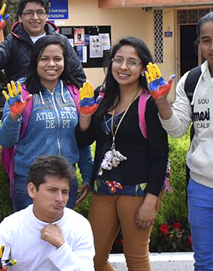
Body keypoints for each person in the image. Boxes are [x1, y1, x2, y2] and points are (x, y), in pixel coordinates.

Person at [152, 11, 213, 270]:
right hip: (201, 187)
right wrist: (161, 102)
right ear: (199, 44)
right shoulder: (191, 81)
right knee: (203, 262)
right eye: (206, 40)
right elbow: (177, 129)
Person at [76, 37, 169, 271]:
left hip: (138, 191)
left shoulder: (149, 102)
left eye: (132, 62)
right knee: (93, 259)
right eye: (118, 60)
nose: (123, 67)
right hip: (103, 188)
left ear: (143, 68)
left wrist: (151, 199)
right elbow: (85, 140)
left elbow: (160, 154)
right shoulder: (101, 96)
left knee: (136, 259)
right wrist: (85, 117)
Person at [0, 35, 93, 212]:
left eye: (57, 59)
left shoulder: (75, 93)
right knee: (30, 238)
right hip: (30, 181)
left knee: (60, 236)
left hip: (65, 182)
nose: (51, 64)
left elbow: (81, 140)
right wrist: (14, 116)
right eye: (44, 59)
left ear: (65, 61)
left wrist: (88, 175)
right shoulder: (21, 91)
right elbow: (5, 141)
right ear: (35, 62)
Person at [0, 155, 95, 271]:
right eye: (52, 190)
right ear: (32, 190)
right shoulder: (11, 226)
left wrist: (61, 245)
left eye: (65, 192)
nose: (60, 199)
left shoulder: (80, 225)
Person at [0, 0, 85, 84]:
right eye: (29, 13)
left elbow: (78, 77)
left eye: (40, 12)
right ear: (20, 17)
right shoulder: (13, 41)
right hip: (23, 103)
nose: (35, 17)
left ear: (47, 16)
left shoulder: (61, 41)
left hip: (55, 104)